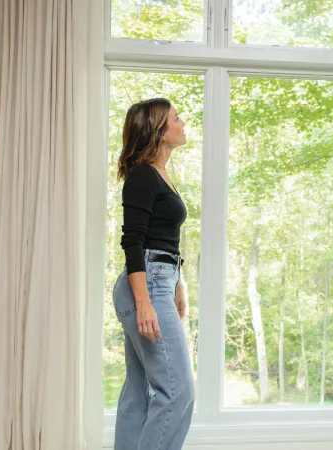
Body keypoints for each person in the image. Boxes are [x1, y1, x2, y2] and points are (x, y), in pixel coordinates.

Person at [113, 97, 194, 450]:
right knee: (177, 392)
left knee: (141, 391)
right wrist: (144, 302)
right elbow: (133, 241)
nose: (182, 122)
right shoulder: (144, 174)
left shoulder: (160, 173)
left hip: (160, 280)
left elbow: (162, 238)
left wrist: (179, 282)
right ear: (160, 131)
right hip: (145, 286)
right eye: (177, 118)